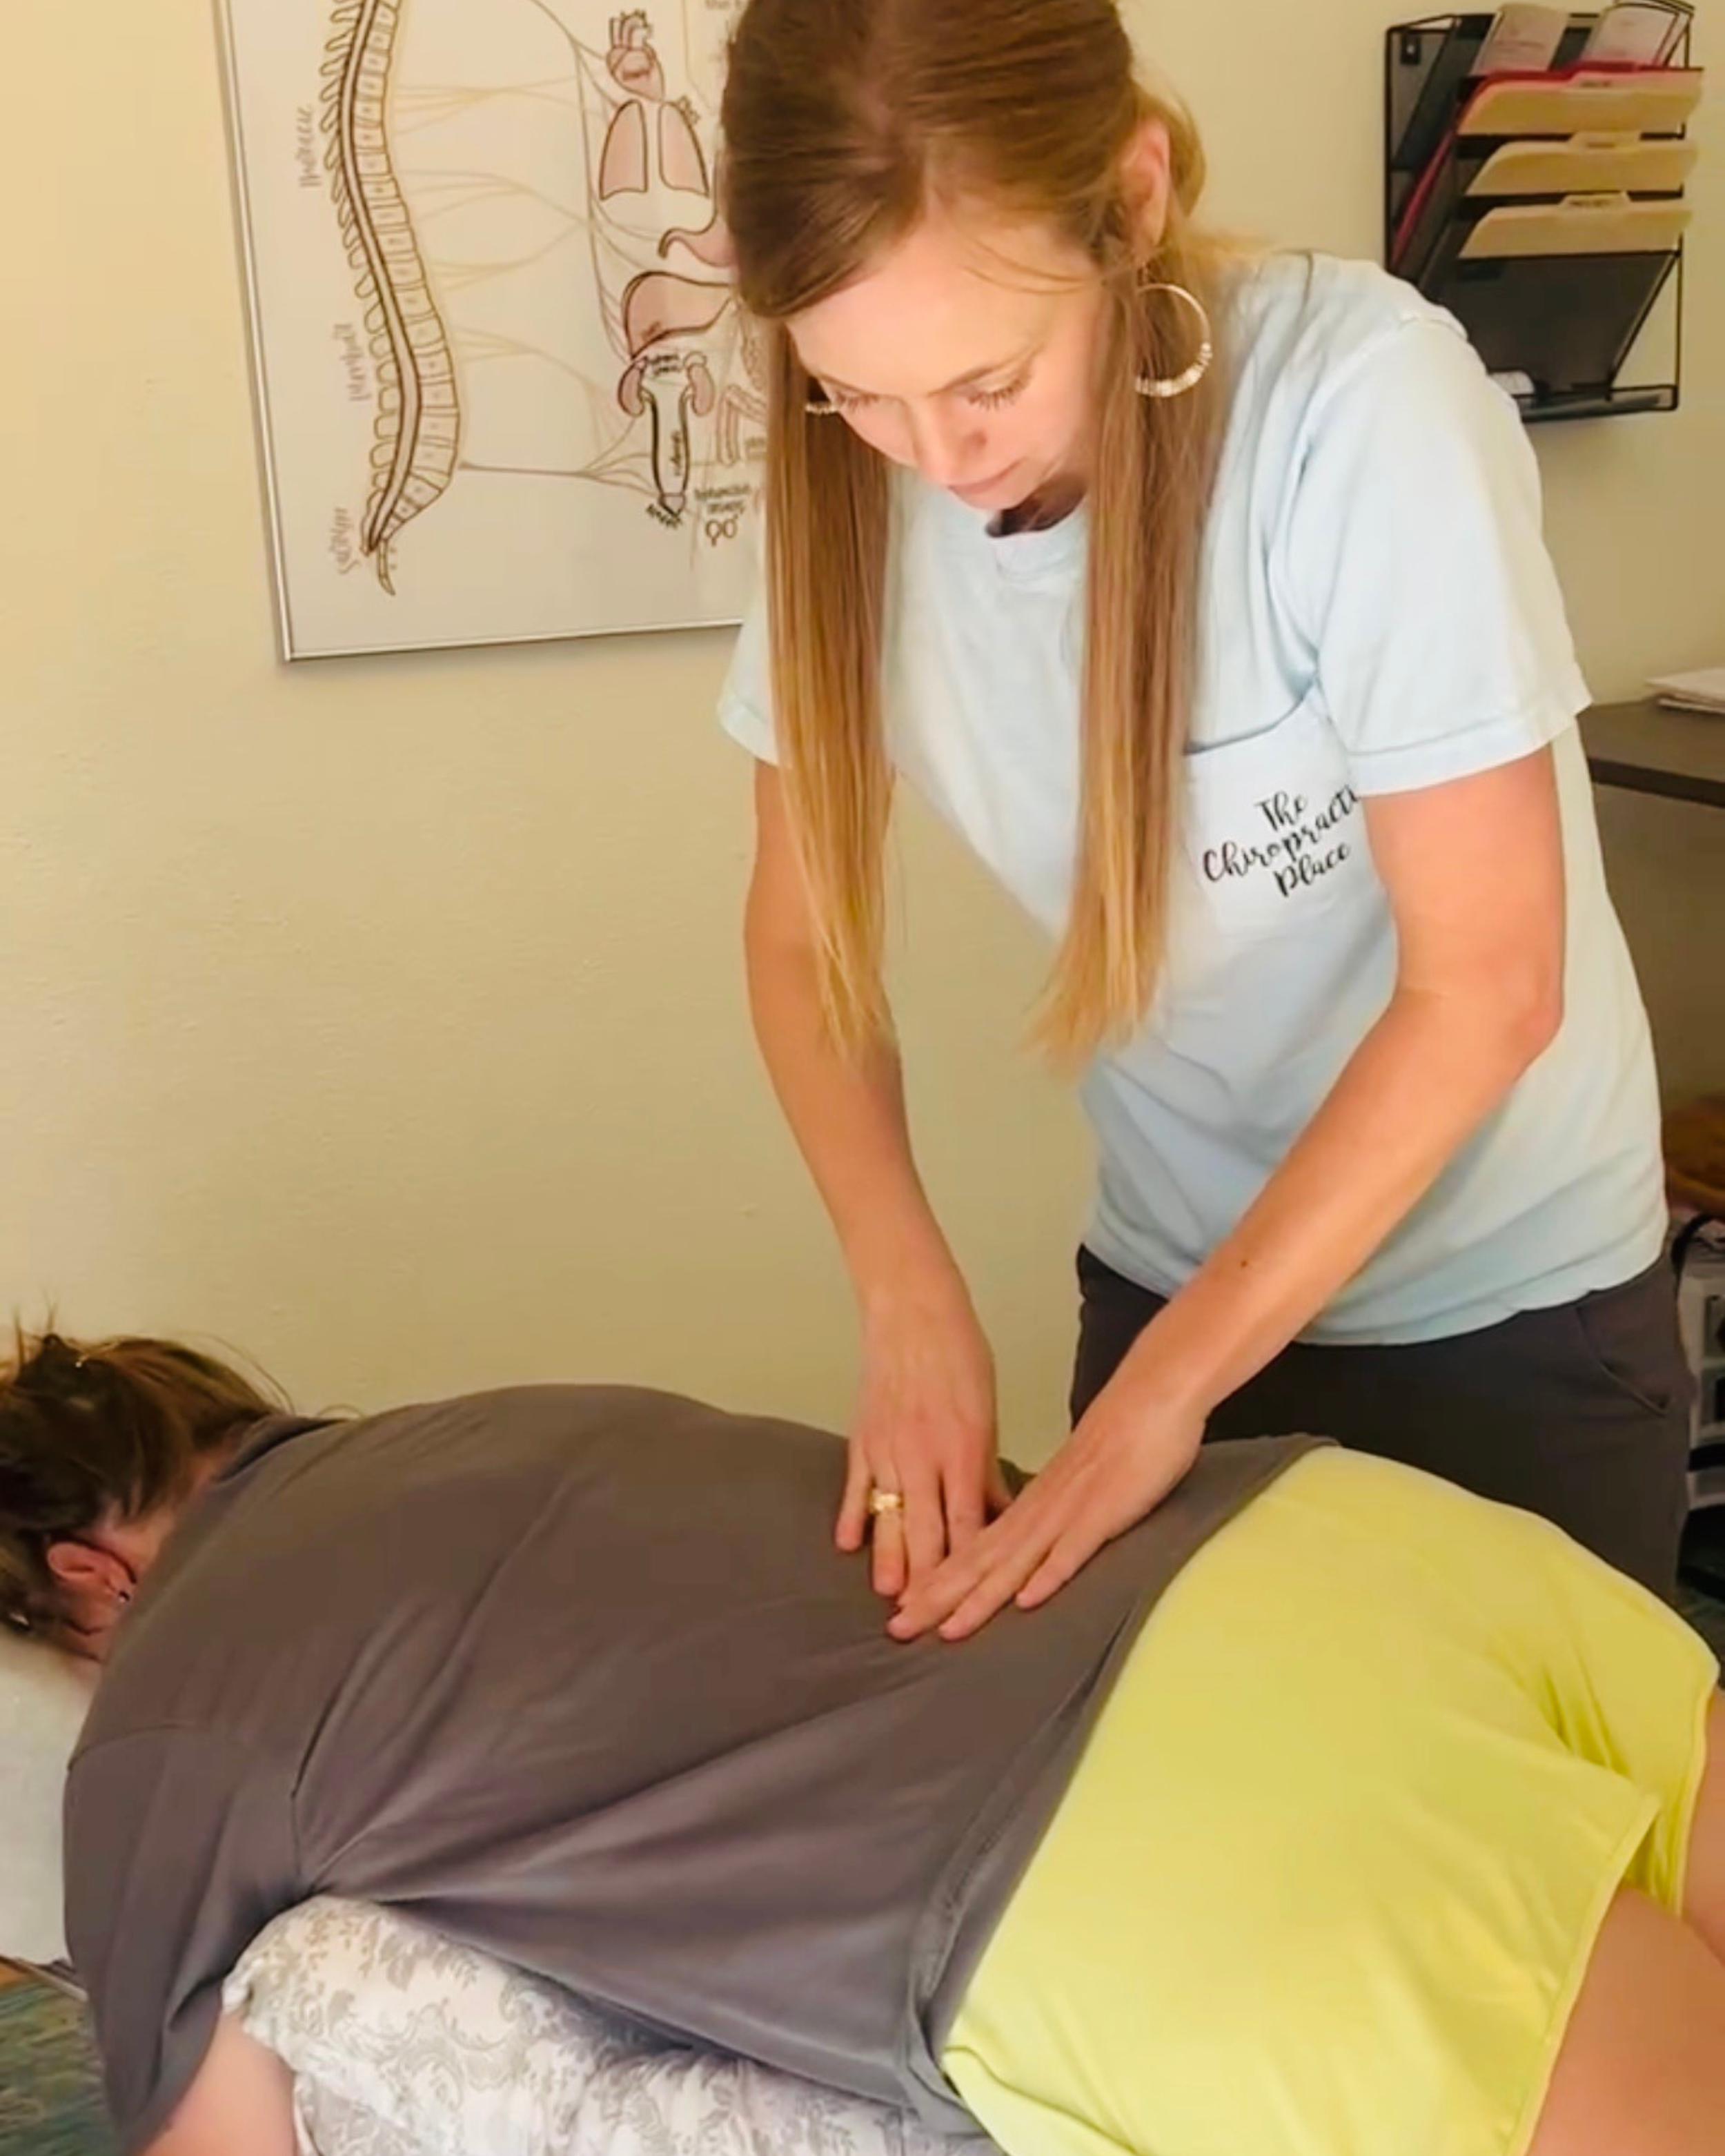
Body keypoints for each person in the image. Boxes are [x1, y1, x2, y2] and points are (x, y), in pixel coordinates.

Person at [713, 0, 1693, 1634]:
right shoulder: (849, 483)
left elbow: (1487, 984)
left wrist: (1158, 1401)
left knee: (1558, 1873)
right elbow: (799, 935)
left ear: (1134, 192)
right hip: (1168, 1285)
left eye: (989, 380)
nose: (935, 458)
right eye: (857, 394)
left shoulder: (1357, 407)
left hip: (1510, 1320)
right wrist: (903, 1293)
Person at [1, 1324, 1722, 2156]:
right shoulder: (483, 1417)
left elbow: (200, 2147)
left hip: (1156, 1843)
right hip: (1328, 1548)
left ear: (89, 1575)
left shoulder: (168, 1713)